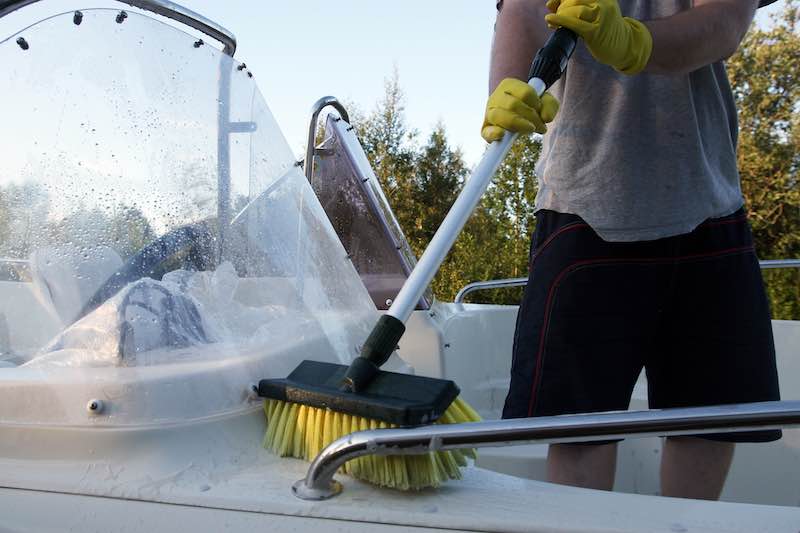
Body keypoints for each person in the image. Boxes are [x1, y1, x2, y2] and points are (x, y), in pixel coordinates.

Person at [484, 0, 781, 500]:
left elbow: (726, 21)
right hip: (584, 206)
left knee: (708, 424)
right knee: (577, 430)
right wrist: (508, 83)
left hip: (707, 205)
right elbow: (525, 8)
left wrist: (635, 41)